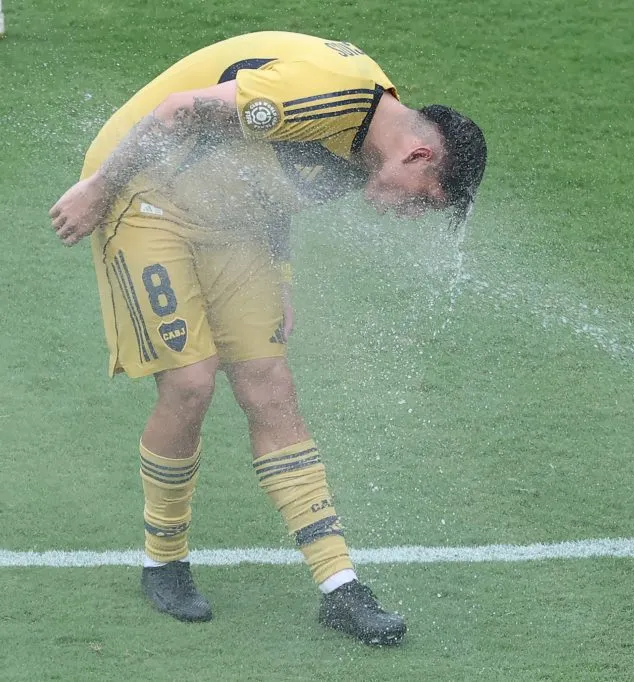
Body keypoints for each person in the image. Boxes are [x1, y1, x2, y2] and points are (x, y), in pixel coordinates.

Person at [48, 31, 487, 646]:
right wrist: (98, 186)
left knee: (271, 386)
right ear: (419, 155)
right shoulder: (327, 95)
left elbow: (269, 186)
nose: (412, 216)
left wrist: (279, 276)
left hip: (230, 224)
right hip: (141, 192)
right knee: (191, 383)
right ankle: (163, 560)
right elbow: (177, 112)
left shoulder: (362, 149)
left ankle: (340, 587)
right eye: (427, 203)